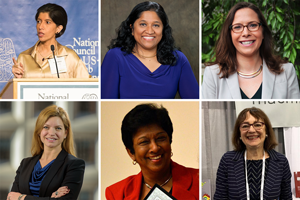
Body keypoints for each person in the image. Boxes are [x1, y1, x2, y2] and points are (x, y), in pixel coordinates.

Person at [101, 1, 199, 99]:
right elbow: (105, 101)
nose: (149, 31)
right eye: (143, 24)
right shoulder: (115, 57)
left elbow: (195, 102)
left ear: (163, 30)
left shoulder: (178, 59)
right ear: (132, 28)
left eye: (156, 25)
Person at [202, 2, 300, 99]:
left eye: (253, 25)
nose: (245, 33)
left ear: (263, 32)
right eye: (237, 27)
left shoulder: (286, 72)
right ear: (229, 35)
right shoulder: (213, 74)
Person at [105, 103, 199, 199]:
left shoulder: (199, 180)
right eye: (144, 142)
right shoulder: (117, 194)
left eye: (160, 138)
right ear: (131, 153)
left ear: (169, 141)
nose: (155, 148)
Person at [7, 105, 85, 200]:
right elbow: (11, 197)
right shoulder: (25, 164)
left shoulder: (74, 165)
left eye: (58, 128)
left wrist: (22, 198)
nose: (51, 133)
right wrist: (50, 198)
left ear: (66, 133)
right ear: (39, 131)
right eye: (46, 127)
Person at [214, 107, 292, 199]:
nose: (251, 130)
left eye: (258, 125)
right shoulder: (228, 160)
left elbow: (286, 197)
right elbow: (220, 197)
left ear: (266, 130)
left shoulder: (280, 161)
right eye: (245, 126)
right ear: (239, 133)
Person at [12, 3, 89, 78]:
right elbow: (18, 89)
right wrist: (18, 79)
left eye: (47, 22)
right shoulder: (24, 57)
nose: (40, 26)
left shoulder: (69, 57)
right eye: (39, 21)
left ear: (58, 28)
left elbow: (86, 87)